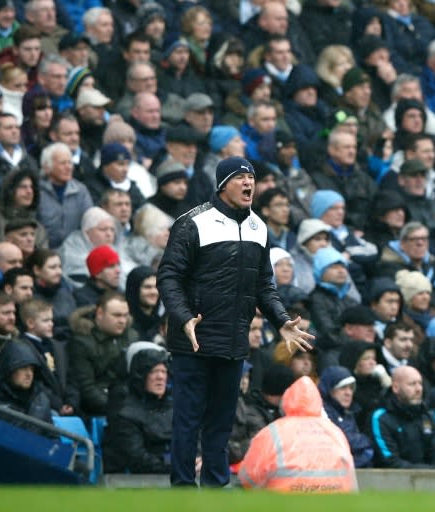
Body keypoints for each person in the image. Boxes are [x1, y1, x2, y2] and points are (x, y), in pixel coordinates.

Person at [157, 156, 313, 487]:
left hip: (233, 342)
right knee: (187, 421)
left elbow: (263, 285)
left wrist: (280, 319)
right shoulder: (192, 223)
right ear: (222, 183)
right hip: (194, 340)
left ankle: (216, 490)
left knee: (221, 423)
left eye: (251, 178)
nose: (248, 183)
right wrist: (182, 317)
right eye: (240, 177)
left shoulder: (259, 228)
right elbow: (168, 276)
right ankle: (182, 492)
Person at [239, 375, 358, 493]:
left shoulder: (272, 432)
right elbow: (351, 481)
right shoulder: (335, 432)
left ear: (287, 400)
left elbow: (248, 478)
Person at [103, 342, 172, 474]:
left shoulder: (174, 407)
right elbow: (138, 459)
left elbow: (195, 437)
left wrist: (198, 458)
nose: (160, 377)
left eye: (164, 371)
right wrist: (178, 464)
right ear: (140, 375)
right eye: (153, 371)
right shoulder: (125, 414)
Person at [369, 365, 435, 468]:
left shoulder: (428, 417)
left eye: (420, 384)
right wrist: (428, 472)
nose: (419, 389)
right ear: (395, 388)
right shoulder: (381, 418)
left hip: (430, 479)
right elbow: (390, 461)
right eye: (412, 384)